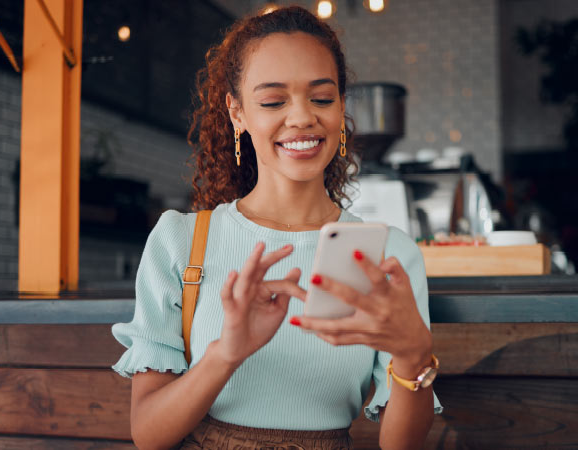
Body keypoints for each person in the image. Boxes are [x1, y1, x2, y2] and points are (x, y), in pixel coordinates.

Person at [111, 6, 442, 449]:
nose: (303, 117)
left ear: (342, 106)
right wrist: (225, 353)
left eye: (322, 98)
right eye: (272, 101)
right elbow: (148, 434)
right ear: (237, 113)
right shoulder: (180, 242)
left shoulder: (389, 255)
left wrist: (413, 353)